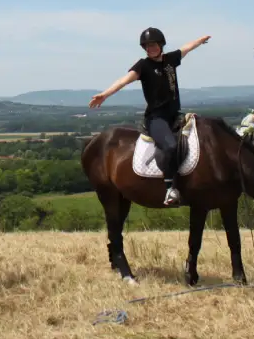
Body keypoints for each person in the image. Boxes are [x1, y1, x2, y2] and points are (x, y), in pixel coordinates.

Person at [89, 27, 211, 205]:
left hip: (175, 115)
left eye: (153, 45)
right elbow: (124, 80)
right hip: (157, 118)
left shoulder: (171, 60)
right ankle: (170, 189)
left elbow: (186, 48)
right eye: (147, 47)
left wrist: (200, 41)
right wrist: (105, 94)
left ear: (160, 45)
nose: (150, 49)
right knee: (169, 146)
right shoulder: (143, 65)